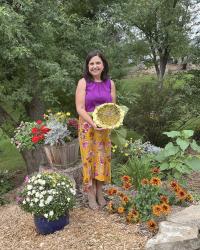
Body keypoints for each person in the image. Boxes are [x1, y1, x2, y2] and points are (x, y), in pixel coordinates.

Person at [75, 50, 116, 210]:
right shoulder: (83, 83)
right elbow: (79, 108)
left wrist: (109, 122)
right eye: (91, 63)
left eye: (98, 62)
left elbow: (113, 108)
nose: (95, 66)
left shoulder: (110, 84)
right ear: (87, 66)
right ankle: (91, 195)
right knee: (89, 160)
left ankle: (100, 192)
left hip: (104, 127)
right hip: (87, 127)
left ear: (103, 65)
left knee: (102, 160)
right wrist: (93, 123)